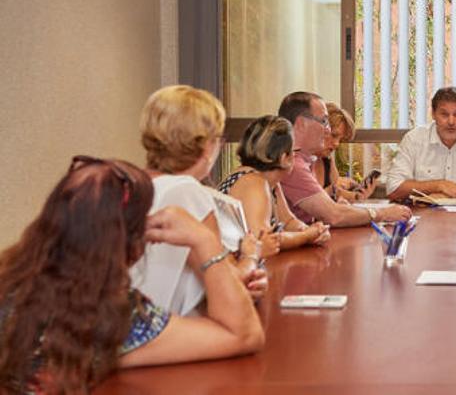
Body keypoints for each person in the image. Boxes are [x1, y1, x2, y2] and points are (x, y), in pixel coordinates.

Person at [0, 157, 263, 393]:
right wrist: (204, 240)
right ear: (134, 244)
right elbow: (242, 334)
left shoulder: (10, 280)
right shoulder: (108, 316)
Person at [132, 85, 267, 316]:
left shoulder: (135, 185)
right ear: (207, 145)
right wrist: (251, 255)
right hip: (170, 333)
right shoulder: (187, 192)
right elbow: (229, 284)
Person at [278, 91, 411, 226]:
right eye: (324, 121)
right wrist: (382, 213)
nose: (327, 130)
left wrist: (339, 204)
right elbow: (334, 215)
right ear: (301, 124)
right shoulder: (293, 164)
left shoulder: (306, 160)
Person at [218, 115, 330, 253]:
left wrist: (314, 231)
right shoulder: (253, 183)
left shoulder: (271, 184)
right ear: (284, 158)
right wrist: (306, 236)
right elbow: (265, 240)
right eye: (294, 152)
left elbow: (288, 221)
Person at [311, 102, 377, 202]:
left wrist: (358, 196)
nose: (337, 144)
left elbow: (337, 193)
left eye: (340, 140)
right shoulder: (300, 161)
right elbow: (309, 202)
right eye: (334, 135)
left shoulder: (327, 159)